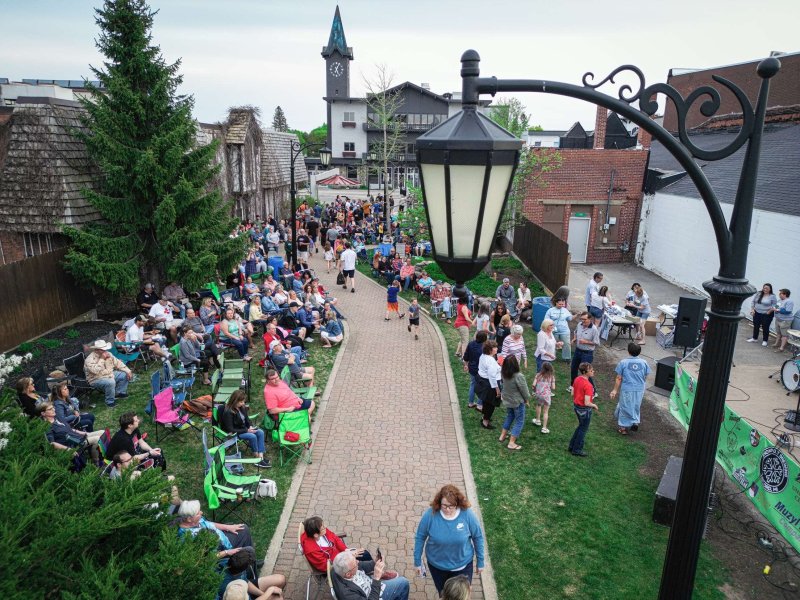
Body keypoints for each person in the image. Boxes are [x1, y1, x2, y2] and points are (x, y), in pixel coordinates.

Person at [413, 484, 485, 595]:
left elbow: (478, 537)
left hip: (462, 567)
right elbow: (420, 537)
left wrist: (480, 561)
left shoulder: (467, 515)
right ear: (439, 503)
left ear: (457, 504)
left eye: (451, 506)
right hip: (437, 567)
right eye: (444, 505)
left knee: (462, 595)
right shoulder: (430, 515)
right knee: (444, 595)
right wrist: (417, 561)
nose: (447, 509)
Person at [176, 500, 255, 558]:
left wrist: (228, 527)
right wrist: (226, 552)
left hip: (222, 539)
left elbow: (210, 524)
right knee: (249, 549)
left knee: (243, 528)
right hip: (220, 550)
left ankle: (250, 559)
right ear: (189, 519)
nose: (201, 512)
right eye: (198, 513)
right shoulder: (186, 536)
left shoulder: (195, 520)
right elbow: (202, 557)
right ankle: (248, 561)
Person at [300, 516, 376, 574]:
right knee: (361, 563)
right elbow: (326, 566)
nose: (325, 528)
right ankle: (372, 572)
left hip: (340, 555)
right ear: (316, 535)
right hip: (336, 566)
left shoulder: (317, 531)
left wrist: (346, 550)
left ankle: (372, 570)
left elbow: (335, 538)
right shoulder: (312, 550)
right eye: (322, 528)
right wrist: (348, 557)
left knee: (364, 553)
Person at [38, 401, 104, 464]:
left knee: (102, 432)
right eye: (50, 409)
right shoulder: (47, 426)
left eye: (53, 407)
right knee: (97, 439)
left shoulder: (57, 418)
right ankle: (97, 462)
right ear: (43, 413)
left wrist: (83, 433)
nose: (54, 410)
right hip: (74, 443)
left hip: (78, 436)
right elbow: (52, 443)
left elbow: (70, 429)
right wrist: (68, 449)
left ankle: (103, 455)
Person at [220, 390, 271, 468]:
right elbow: (230, 429)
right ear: (235, 401)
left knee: (260, 432)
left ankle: (261, 457)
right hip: (235, 433)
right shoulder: (228, 412)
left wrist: (250, 426)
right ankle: (257, 458)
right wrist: (247, 430)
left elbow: (247, 419)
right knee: (252, 436)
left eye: (243, 401)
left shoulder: (241, 407)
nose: (243, 403)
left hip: (244, 429)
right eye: (241, 402)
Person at [331, 550, 409, 600]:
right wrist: (376, 578)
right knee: (403, 582)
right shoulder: (348, 595)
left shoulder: (337, 567)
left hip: (371, 585)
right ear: (348, 574)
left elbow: (362, 565)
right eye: (356, 564)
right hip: (375, 594)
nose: (358, 562)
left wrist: (374, 562)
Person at [610, 342, 652, 435]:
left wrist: (615, 390)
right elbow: (645, 375)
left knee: (624, 406)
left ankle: (623, 428)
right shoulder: (644, 362)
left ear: (628, 351)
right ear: (639, 352)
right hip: (639, 389)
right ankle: (635, 422)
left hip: (627, 389)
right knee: (636, 405)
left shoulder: (623, 362)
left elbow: (619, 378)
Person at [217, 546, 285, 600]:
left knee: (281, 579)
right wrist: (268, 593)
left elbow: (246, 581)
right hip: (241, 596)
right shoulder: (229, 589)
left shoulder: (229, 562)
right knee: (278, 598)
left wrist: (263, 594)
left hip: (246, 593)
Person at [84, 339, 133, 407]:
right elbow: (95, 371)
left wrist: (128, 371)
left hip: (109, 374)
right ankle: (110, 402)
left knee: (124, 375)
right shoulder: (89, 359)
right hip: (95, 379)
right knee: (110, 382)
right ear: (97, 350)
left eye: (105, 349)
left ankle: (119, 393)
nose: (105, 351)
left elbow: (118, 363)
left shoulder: (108, 354)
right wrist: (102, 359)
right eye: (103, 349)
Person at [498, 355, 529, 451]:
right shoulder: (518, 376)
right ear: (515, 364)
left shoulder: (503, 373)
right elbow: (524, 391)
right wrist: (526, 400)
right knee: (519, 421)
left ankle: (502, 436)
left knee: (510, 416)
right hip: (517, 402)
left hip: (508, 401)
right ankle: (511, 443)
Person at [568, 363, 599, 457]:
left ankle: (571, 446)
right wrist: (594, 405)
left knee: (580, 426)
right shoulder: (588, 385)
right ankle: (576, 449)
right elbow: (587, 402)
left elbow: (572, 393)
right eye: (591, 370)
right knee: (583, 429)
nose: (593, 371)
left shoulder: (577, 379)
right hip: (584, 410)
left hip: (576, 407)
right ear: (585, 372)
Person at [569, 313, 599, 393]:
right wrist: (574, 339)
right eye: (581, 319)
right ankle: (573, 386)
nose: (582, 321)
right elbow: (575, 332)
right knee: (573, 368)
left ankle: (593, 391)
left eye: (584, 319)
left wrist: (586, 342)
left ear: (590, 319)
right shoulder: (579, 324)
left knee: (585, 372)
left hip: (587, 353)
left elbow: (596, 342)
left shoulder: (594, 329)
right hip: (578, 350)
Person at [476, 340, 501, 429]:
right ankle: (485, 422)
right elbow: (492, 376)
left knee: (486, 402)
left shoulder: (483, 356)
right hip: (490, 385)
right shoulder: (490, 361)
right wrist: (497, 389)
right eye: (495, 347)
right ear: (490, 350)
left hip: (483, 381)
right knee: (491, 404)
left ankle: (484, 417)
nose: (497, 349)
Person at [462, 331, 488, 410]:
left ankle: (470, 403)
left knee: (473, 384)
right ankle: (479, 405)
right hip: (481, 370)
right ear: (484, 339)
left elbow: (466, 356)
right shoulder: (484, 348)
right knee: (482, 386)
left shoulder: (471, 344)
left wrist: (466, 365)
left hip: (472, 368)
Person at [545, 297, 573, 361]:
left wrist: (575, 315)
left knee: (566, 344)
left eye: (563, 304)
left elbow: (569, 319)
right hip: (553, 331)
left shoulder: (565, 310)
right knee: (552, 344)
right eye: (560, 304)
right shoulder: (550, 310)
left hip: (564, 330)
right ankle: (551, 356)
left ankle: (567, 358)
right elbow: (546, 320)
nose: (561, 306)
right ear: (556, 303)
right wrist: (549, 328)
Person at [532, 361, 555, 434]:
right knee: (545, 411)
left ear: (542, 368)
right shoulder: (551, 377)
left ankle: (538, 420)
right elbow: (553, 387)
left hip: (539, 394)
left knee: (538, 405)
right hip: (547, 396)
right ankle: (544, 428)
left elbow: (533, 385)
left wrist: (534, 390)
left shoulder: (538, 375)